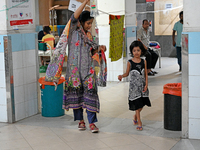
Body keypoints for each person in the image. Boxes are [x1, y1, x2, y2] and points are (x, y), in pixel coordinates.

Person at [60, 0, 106, 133]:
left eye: (91, 23)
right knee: (77, 96)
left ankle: (92, 123)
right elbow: (74, 16)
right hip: (74, 72)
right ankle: (80, 121)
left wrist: (99, 49)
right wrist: (86, 1)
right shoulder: (74, 29)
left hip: (88, 70)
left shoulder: (90, 35)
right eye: (88, 23)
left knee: (91, 95)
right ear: (81, 22)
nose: (90, 25)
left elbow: (91, 52)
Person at [118, 41, 151, 131]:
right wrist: (121, 76)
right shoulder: (129, 62)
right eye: (134, 50)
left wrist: (146, 84)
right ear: (132, 52)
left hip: (142, 87)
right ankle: (139, 122)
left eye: (138, 50)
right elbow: (127, 73)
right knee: (137, 105)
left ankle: (135, 116)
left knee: (142, 105)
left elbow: (145, 75)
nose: (136, 52)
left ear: (141, 51)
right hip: (134, 88)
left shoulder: (144, 61)